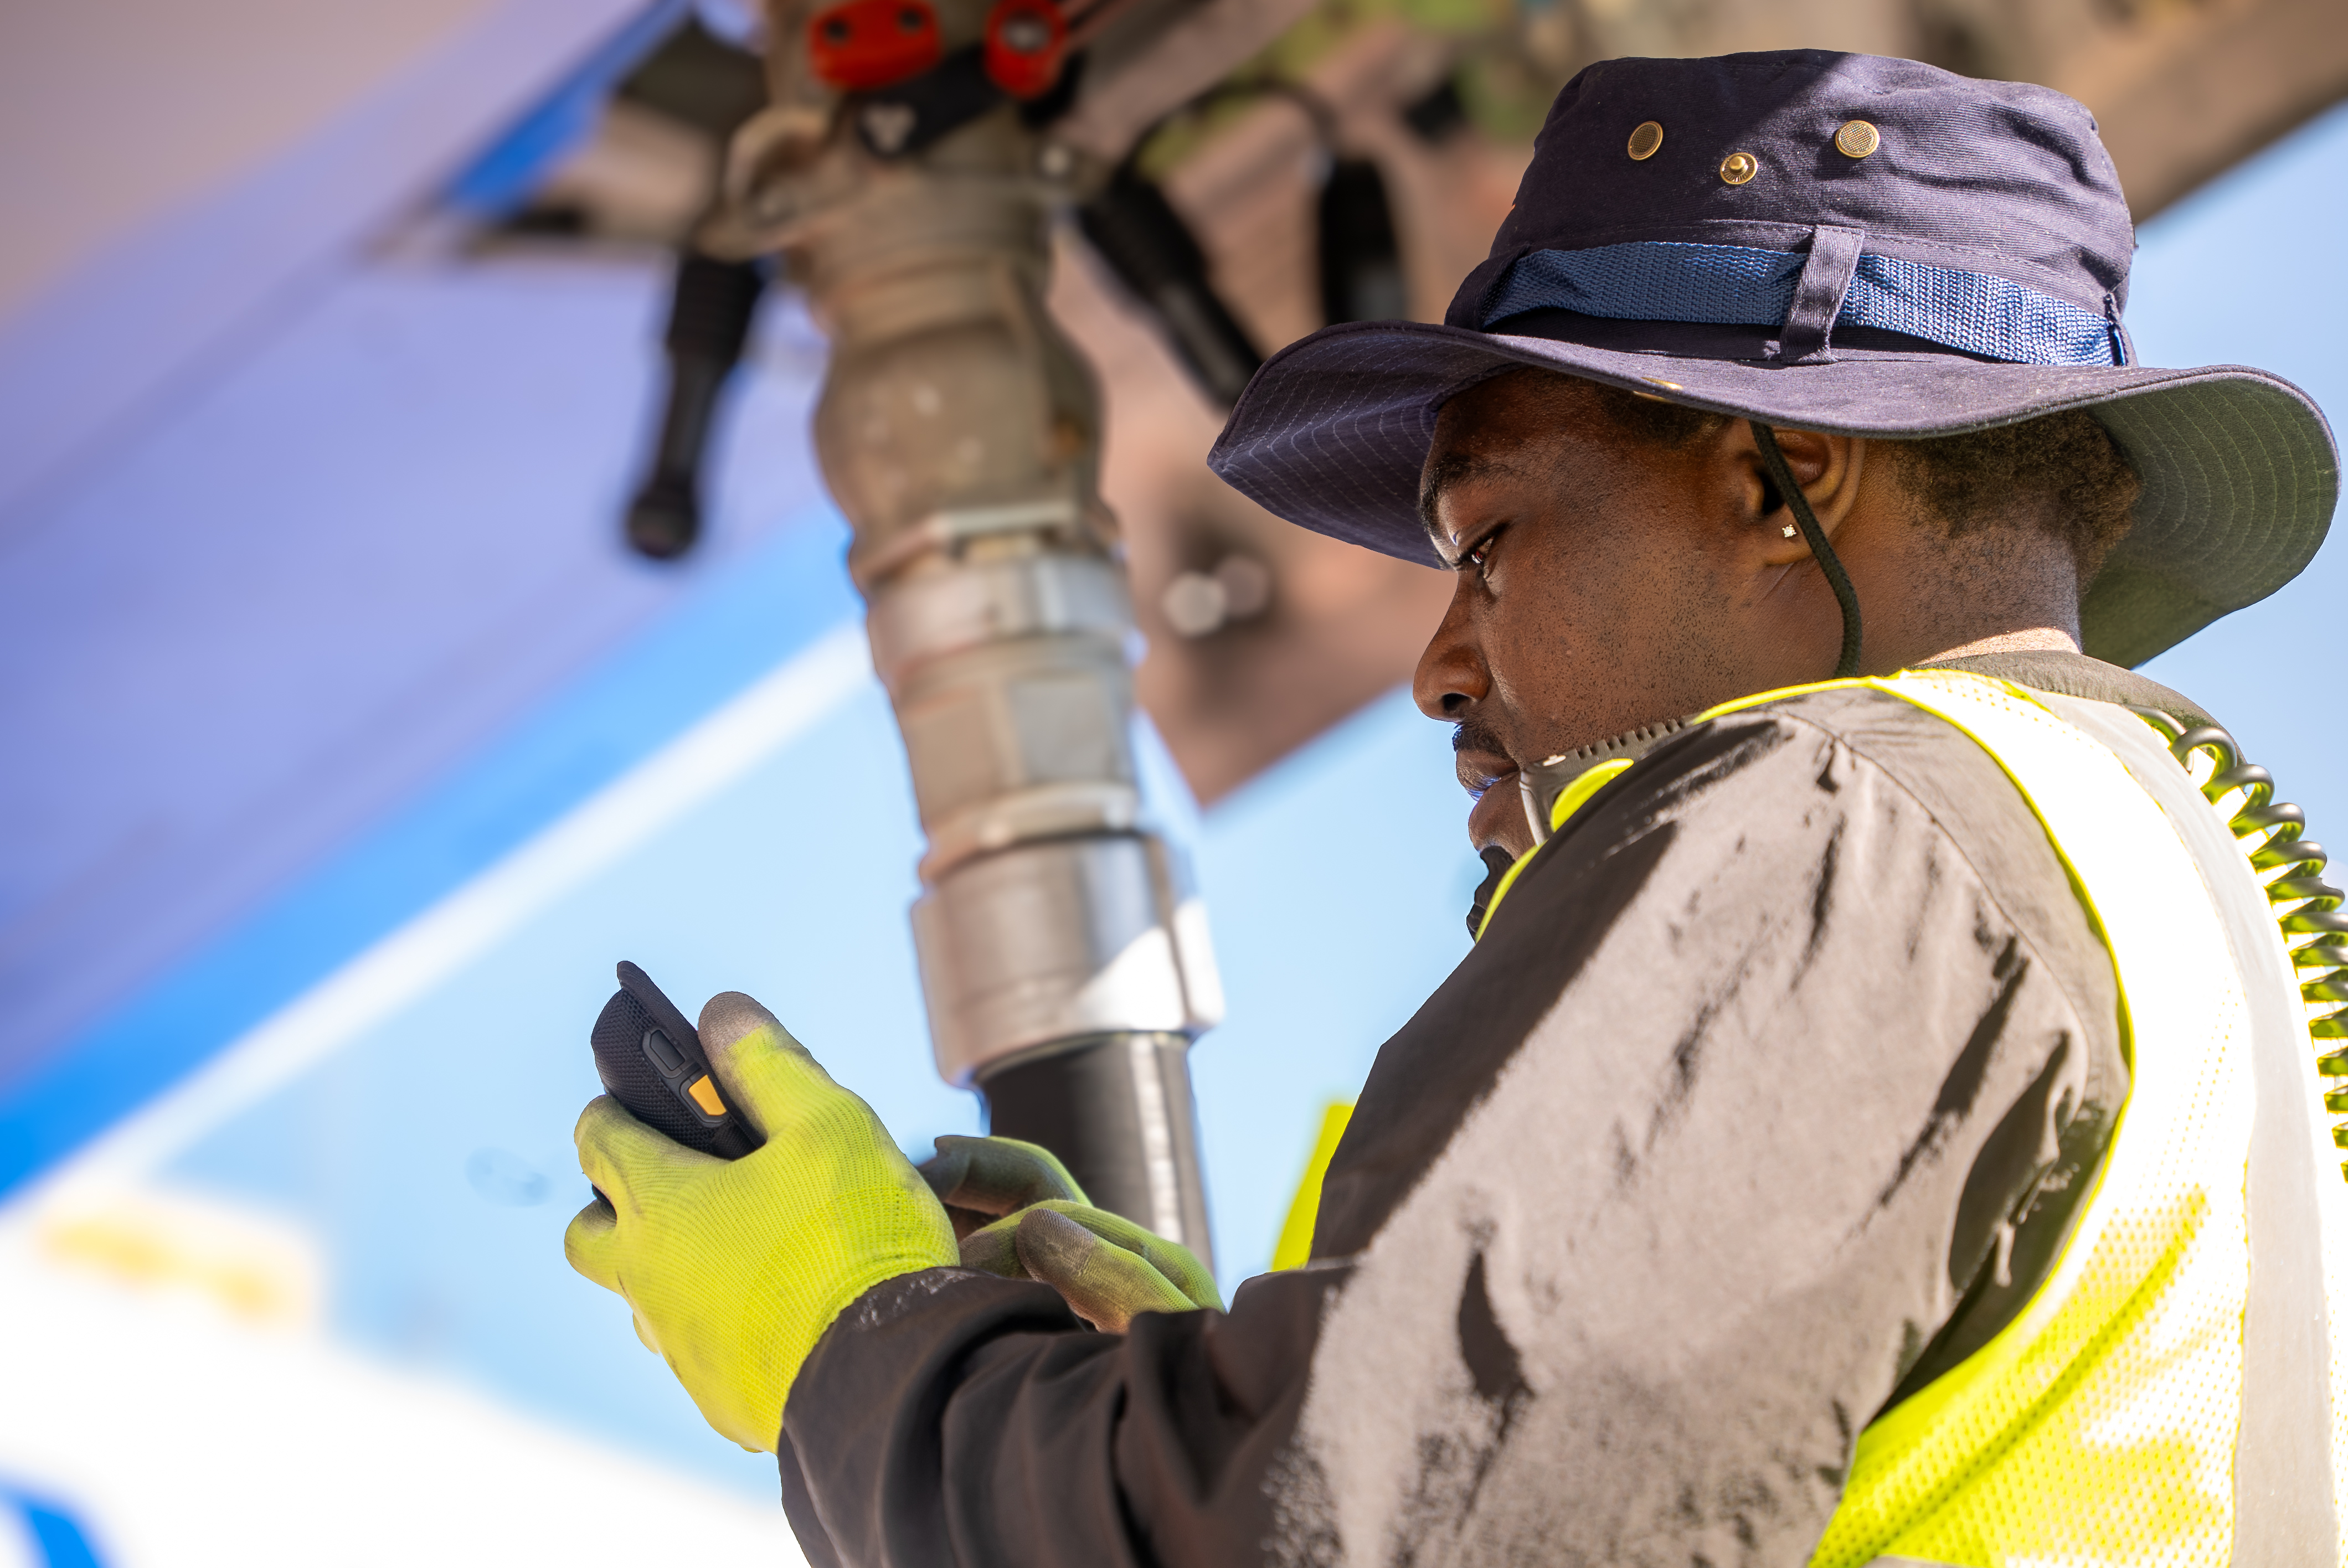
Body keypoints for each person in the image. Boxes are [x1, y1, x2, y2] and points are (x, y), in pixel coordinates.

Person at [564, 49, 2348, 1564]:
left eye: (1489, 542)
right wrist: (1209, 1378)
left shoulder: (1837, 823)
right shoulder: (2131, 895)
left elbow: (1361, 1530)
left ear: (1778, 473)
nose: (1436, 666)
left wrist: (856, 1347)